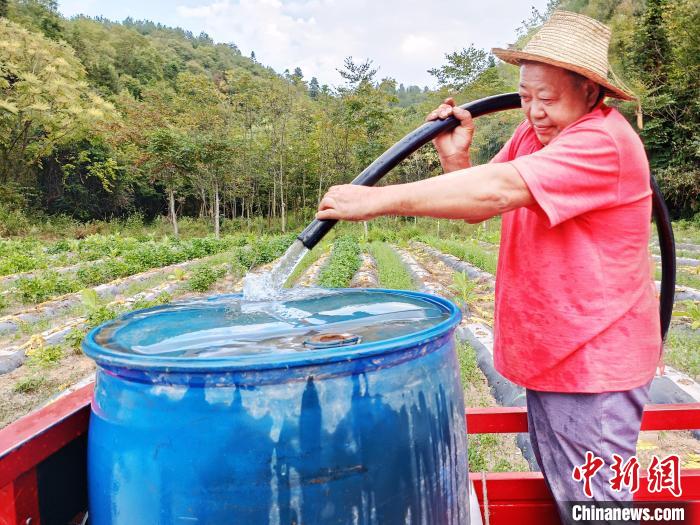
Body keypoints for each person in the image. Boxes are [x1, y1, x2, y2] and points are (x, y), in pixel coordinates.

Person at [316, 10, 661, 524]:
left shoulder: (601, 142)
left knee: (599, 509)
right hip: (556, 353)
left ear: (592, 91)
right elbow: (483, 201)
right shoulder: (535, 136)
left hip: (594, 363)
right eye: (526, 95)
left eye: (549, 98)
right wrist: (455, 161)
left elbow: (500, 188)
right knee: (574, 499)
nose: (534, 110)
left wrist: (375, 199)